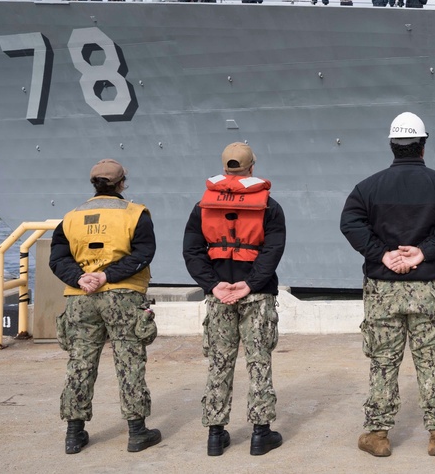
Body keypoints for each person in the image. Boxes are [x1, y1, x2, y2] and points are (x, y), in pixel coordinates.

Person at [339, 112, 435, 458]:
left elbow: (350, 222)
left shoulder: (367, 188)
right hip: (430, 287)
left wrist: (381, 254)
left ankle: (378, 435)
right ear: (423, 146)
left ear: (392, 145)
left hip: (384, 290)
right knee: (432, 360)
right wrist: (423, 252)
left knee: (383, 360)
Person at [49, 159, 162, 455]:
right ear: (122, 182)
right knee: (129, 362)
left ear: (93, 184)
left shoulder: (71, 218)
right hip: (122, 296)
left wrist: (81, 277)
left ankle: (74, 435)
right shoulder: (135, 214)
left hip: (80, 297)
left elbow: (58, 259)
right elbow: (144, 252)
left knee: (80, 363)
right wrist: (107, 275)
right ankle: (137, 432)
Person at [183, 143, 286, 457]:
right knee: (258, 363)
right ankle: (260, 434)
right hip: (256, 296)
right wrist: (250, 284)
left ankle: (215, 435)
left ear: (225, 168)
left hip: (219, 297)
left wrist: (213, 286)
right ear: (251, 167)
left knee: (219, 363)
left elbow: (192, 251)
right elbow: (272, 252)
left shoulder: (203, 205)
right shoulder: (270, 206)